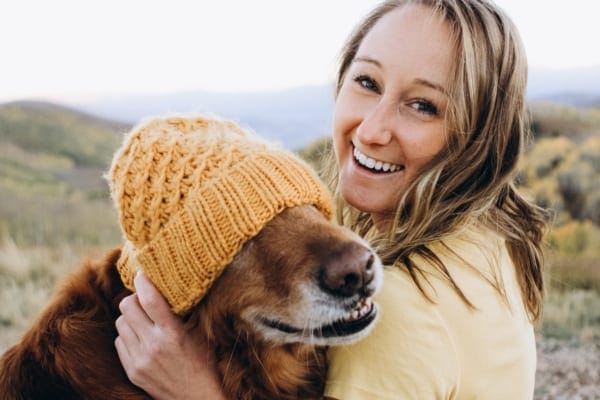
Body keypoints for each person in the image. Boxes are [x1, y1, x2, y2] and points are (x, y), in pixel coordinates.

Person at [114, 0, 549, 398]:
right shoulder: (493, 243)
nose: (370, 130)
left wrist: (196, 391)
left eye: (423, 106)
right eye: (366, 81)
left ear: (480, 138)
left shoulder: (393, 312)